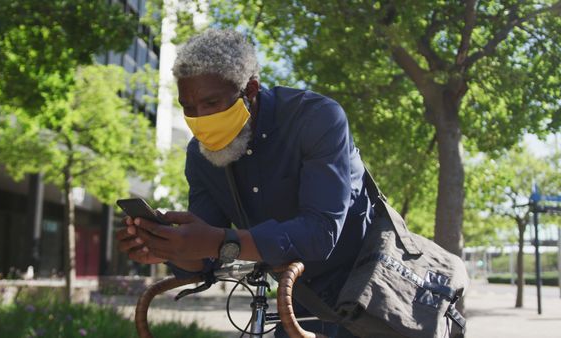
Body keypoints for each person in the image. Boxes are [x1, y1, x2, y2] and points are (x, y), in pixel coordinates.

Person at [116, 29, 375, 338]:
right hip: (299, 304)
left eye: (211, 102)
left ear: (250, 89)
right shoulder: (199, 157)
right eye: (188, 107)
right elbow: (207, 252)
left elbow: (320, 234)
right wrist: (169, 248)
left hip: (372, 296)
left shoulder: (317, 118)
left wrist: (217, 241)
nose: (199, 119)